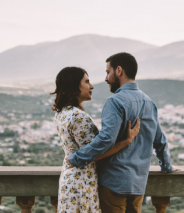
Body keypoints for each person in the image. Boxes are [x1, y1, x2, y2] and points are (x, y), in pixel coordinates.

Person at [67, 53, 176, 213]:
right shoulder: (148, 102)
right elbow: (159, 140)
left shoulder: (115, 101)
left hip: (114, 183)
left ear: (119, 71)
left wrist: (77, 158)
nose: (105, 78)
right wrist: (167, 166)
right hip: (138, 184)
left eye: (107, 72)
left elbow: (106, 139)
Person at [53, 66, 141, 213]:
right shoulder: (78, 116)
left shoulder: (61, 113)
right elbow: (96, 153)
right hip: (82, 181)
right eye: (87, 82)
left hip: (69, 179)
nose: (91, 86)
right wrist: (126, 141)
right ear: (74, 85)